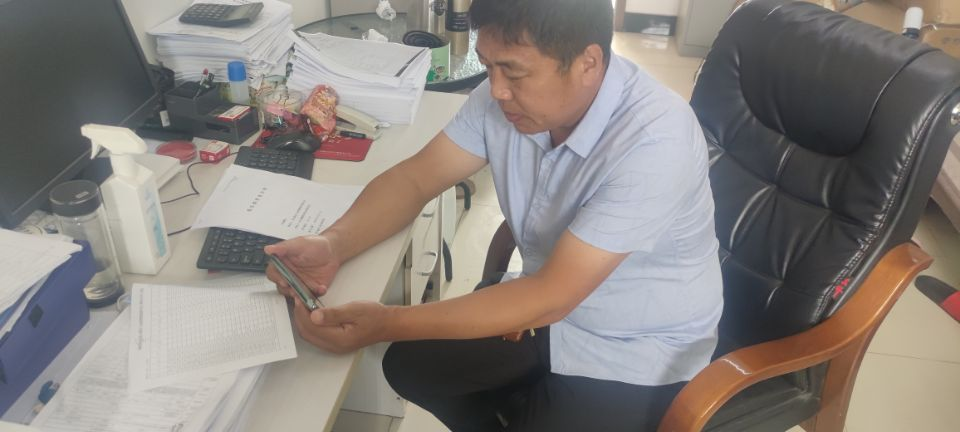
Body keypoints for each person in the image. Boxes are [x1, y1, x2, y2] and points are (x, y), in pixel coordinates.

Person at [264, 0, 723, 430]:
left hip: (635, 345)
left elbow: (551, 296)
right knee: (410, 366)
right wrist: (334, 244)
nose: (497, 90)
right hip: (547, 307)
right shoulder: (503, 97)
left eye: (514, 72)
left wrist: (385, 322)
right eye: (488, 66)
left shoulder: (655, 141)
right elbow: (415, 180)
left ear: (588, 62)